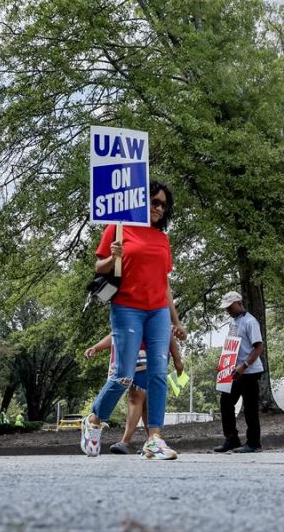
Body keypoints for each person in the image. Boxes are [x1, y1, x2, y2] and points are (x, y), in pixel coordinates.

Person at [81, 180, 187, 460]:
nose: (159, 208)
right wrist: (113, 256)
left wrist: (175, 319)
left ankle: (154, 438)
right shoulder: (118, 228)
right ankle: (94, 419)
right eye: (154, 202)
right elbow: (99, 266)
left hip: (158, 312)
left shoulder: (162, 239)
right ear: (141, 202)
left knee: (158, 375)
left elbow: (164, 283)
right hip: (127, 306)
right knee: (125, 374)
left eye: (164, 204)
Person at [84, 332, 184, 454]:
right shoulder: (128, 316)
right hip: (136, 355)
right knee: (138, 396)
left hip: (156, 354)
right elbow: (117, 333)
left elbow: (166, 330)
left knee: (142, 398)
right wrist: (96, 347)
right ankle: (146, 440)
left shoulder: (158, 316)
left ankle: (143, 440)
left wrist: (177, 358)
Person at [213, 291, 265, 453]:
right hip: (234, 371)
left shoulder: (251, 322)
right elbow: (232, 345)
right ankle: (232, 439)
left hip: (250, 371)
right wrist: (224, 363)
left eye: (230, 307)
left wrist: (244, 365)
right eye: (226, 308)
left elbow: (258, 347)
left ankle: (254, 443)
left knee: (250, 408)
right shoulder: (232, 322)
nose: (228, 310)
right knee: (226, 402)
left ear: (239, 303)